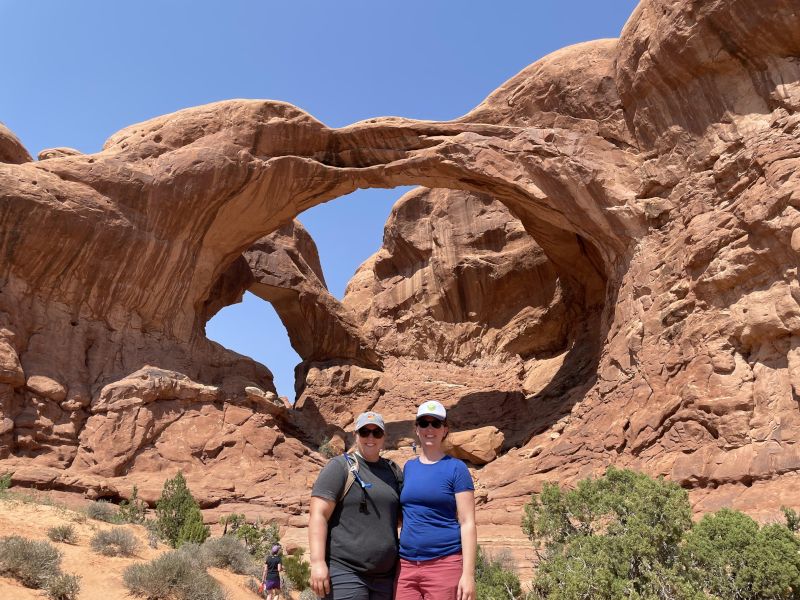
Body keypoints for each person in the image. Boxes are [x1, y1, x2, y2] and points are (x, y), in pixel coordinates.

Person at [309, 411, 403, 600]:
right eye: (364, 432)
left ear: (384, 436)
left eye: (376, 433)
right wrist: (318, 562)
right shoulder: (339, 467)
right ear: (355, 435)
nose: (370, 437)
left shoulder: (393, 471)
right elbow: (318, 515)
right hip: (346, 572)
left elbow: (401, 517)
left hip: (385, 577)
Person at [395, 400, 477, 600]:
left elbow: (467, 523)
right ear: (416, 429)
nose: (429, 428)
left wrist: (468, 575)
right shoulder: (408, 467)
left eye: (436, 423)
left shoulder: (456, 468)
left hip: (444, 564)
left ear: (445, 429)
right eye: (424, 423)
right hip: (405, 566)